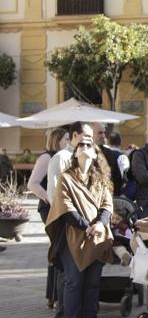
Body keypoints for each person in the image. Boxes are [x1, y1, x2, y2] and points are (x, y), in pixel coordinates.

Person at [45, 137, 115, 318]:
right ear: (75, 153)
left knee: (92, 284)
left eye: (88, 145)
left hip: (97, 237)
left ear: (94, 153)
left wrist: (99, 223)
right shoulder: (66, 178)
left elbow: (107, 205)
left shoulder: (102, 180)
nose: (84, 147)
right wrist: (87, 226)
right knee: (74, 282)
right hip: (73, 237)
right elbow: (65, 207)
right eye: (80, 145)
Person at [47, 121, 94, 317]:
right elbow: (55, 197)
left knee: (80, 280)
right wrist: (74, 221)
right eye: (87, 137)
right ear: (74, 136)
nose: (90, 142)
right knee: (71, 279)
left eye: (92, 138)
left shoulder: (89, 158)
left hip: (87, 228)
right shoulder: (61, 158)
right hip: (68, 226)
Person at [27, 127, 69, 309]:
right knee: (58, 248)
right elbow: (32, 183)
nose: (69, 142)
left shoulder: (65, 157)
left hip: (59, 207)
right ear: (57, 140)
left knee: (58, 249)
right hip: (50, 208)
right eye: (66, 138)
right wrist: (50, 199)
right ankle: (54, 295)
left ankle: (54, 295)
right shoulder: (47, 157)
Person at [92, 123, 124, 196]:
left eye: (104, 133)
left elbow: (117, 181)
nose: (103, 136)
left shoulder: (111, 155)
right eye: (100, 133)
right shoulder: (82, 154)